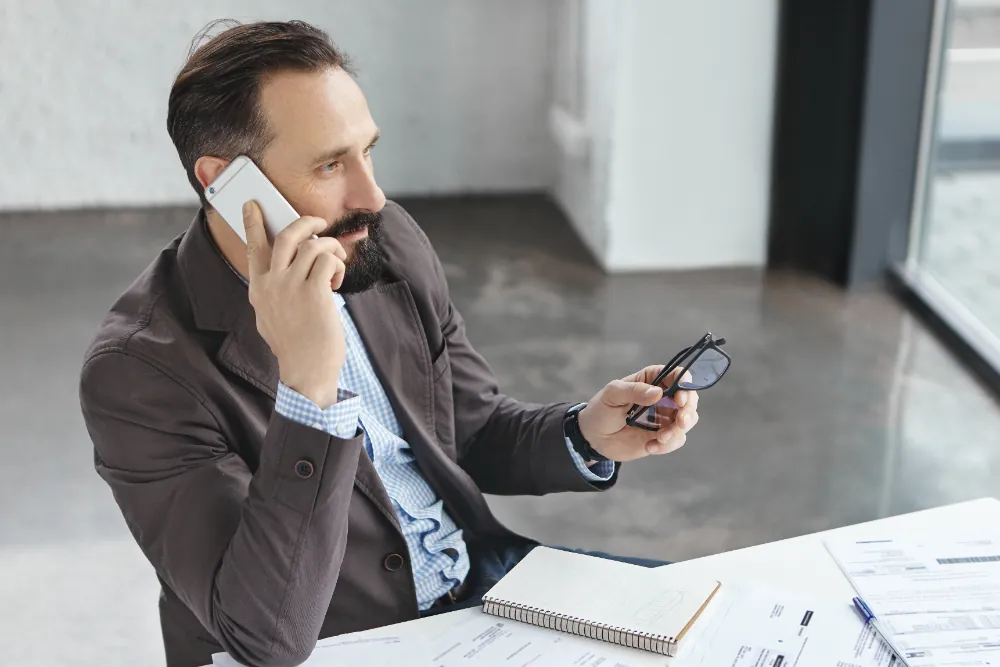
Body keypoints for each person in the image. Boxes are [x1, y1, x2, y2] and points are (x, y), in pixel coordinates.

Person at [79, 20, 701, 667]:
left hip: (484, 593)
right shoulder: (139, 371)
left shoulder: (379, 239)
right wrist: (310, 392)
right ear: (226, 183)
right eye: (329, 165)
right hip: (347, 643)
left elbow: (468, 427)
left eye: (366, 151)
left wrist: (584, 432)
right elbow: (266, 632)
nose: (370, 194)